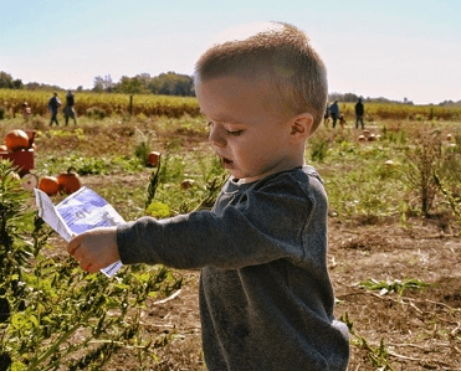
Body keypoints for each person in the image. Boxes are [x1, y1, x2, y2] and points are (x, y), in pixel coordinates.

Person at [67, 22, 349, 371]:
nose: (214, 139)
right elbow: (208, 227)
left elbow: (220, 237)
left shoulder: (294, 197)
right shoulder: (246, 181)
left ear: (296, 127)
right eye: (210, 123)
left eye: (232, 129)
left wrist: (127, 241)